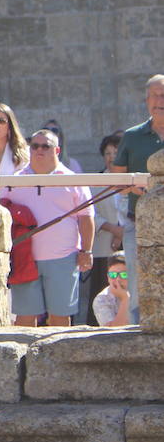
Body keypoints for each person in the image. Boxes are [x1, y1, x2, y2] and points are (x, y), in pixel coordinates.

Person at [9, 130, 94, 327]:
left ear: (56, 150)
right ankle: (23, 358)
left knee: (60, 317)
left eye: (45, 146)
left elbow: (87, 217)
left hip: (63, 258)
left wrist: (87, 251)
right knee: (24, 319)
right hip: (25, 258)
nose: (39, 150)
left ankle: (60, 358)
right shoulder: (14, 180)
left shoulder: (73, 179)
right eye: (35, 146)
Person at [108, 74, 164, 325]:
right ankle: (137, 336)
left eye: (163, 95)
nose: (159, 100)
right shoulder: (132, 136)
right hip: (138, 224)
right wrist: (136, 188)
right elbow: (117, 184)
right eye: (154, 94)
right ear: (146, 100)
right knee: (139, 285)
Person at [85, 132, 125, 324]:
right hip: (103, 246)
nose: (111, 157)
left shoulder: (132, 180)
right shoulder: (97, 182)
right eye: (107, 153)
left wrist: (122, 231)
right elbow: (92, 212)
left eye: (115, 152)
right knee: (101, 287)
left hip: (129, 242)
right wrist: (113, 229)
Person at [91, 254, 131, 327]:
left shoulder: (143, 291)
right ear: (108, 277)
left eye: (124, 275)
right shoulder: (102, 299)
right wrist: (125, 300)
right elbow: (113, 332)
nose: (118, 279)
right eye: (113, 275)